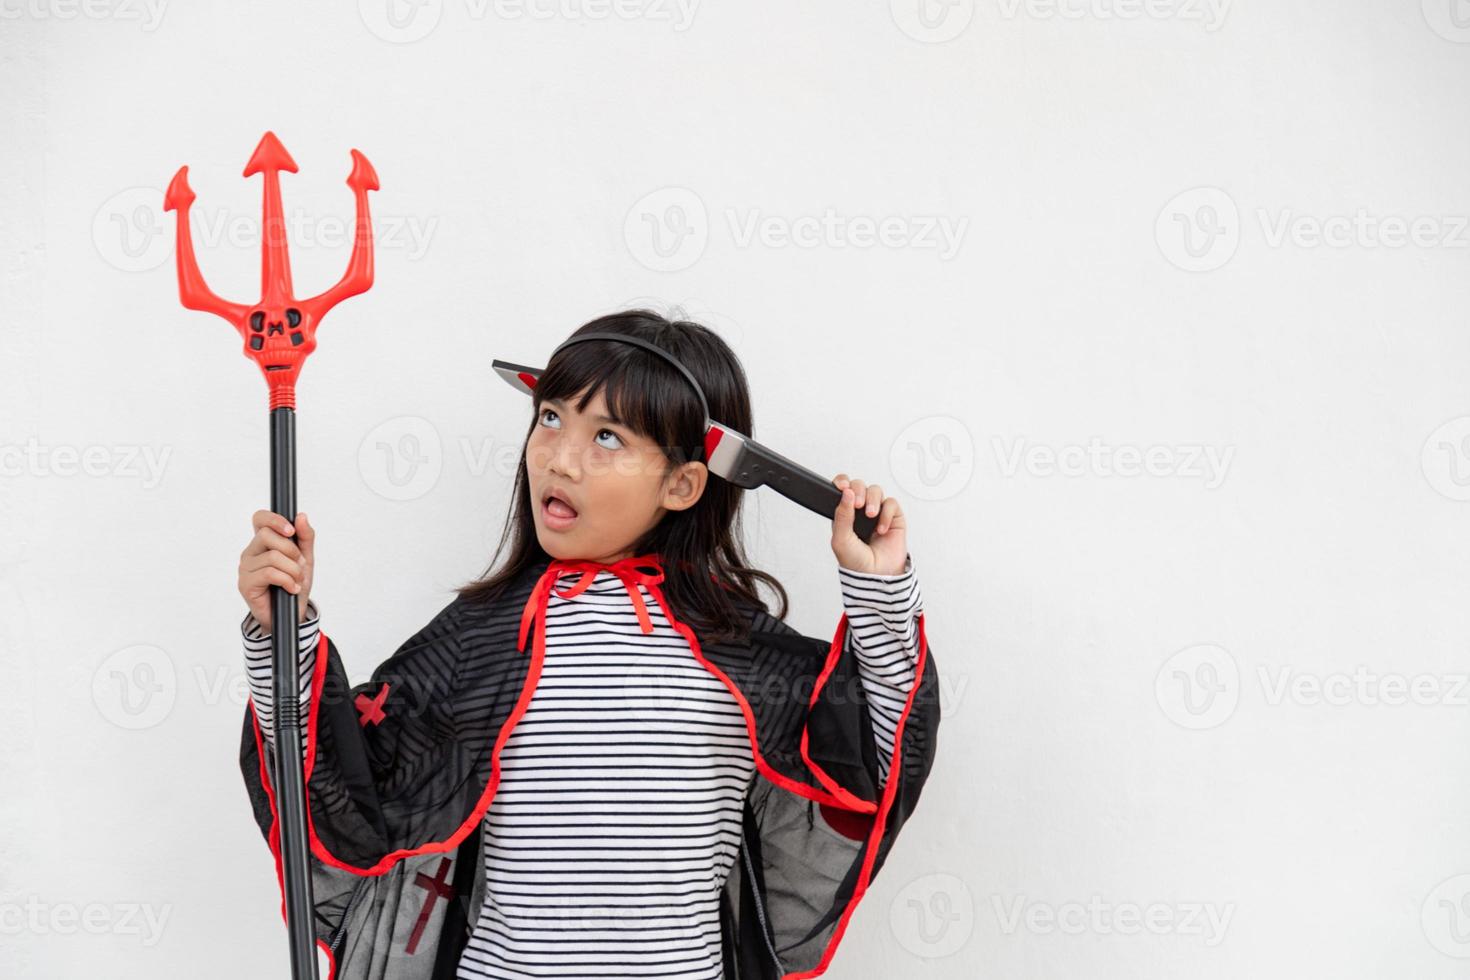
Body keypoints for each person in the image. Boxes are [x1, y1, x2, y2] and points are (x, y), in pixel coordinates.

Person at [235, 309, 941, 979]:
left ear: (684, 482)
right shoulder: (479, 641)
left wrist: (878, 589)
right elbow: (336, 783)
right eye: (549, 418)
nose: (559, 459)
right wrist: (282, 631)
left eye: (607, 437)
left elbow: (873, 760)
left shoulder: (737, 651)